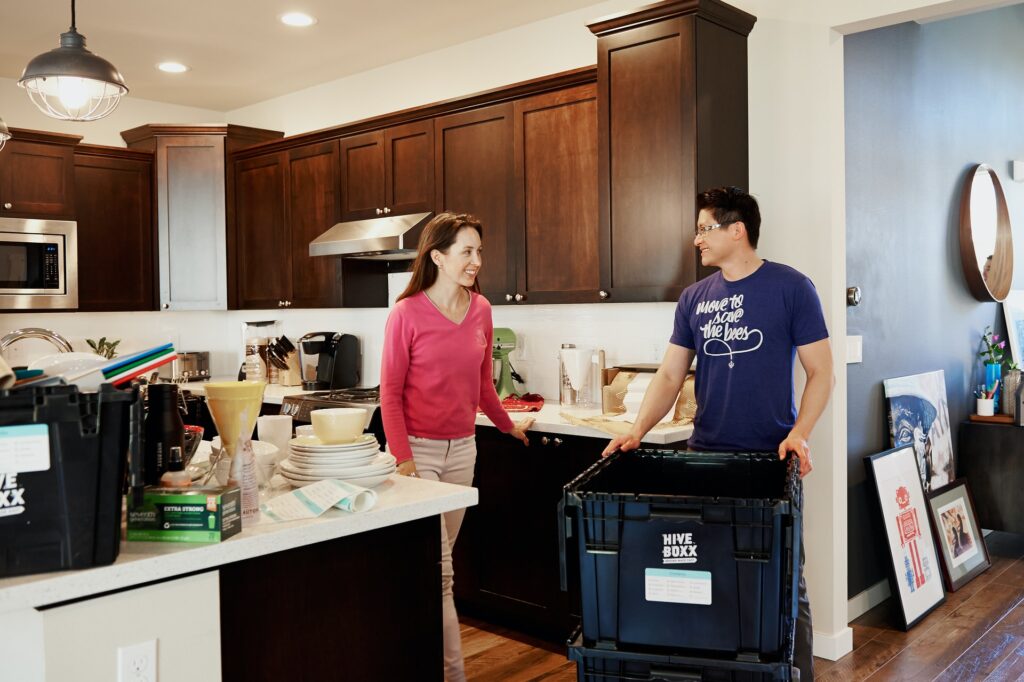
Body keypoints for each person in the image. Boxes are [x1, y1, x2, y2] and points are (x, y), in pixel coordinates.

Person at [602, 187, 834, 680]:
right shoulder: (693, 298)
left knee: (785, 582)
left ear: (737, 230)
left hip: (770, 461)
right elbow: (669, 376)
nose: (696, 240)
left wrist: (800, 434)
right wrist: (636, 431)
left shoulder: (792, 288)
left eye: (705, 228)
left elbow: (821, 373)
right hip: (705, 457)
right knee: (711, 576)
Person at [381, 211, 534, 682]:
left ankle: (416, 658)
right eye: (467, 251)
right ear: (438, 256)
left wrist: (508, 425)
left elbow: (484, 386)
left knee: (434, 569)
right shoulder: (406, 314)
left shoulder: (482, 309)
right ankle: (453, 673)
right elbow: (389, 393)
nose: (476, 260)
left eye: (479, 251)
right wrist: (404, 460)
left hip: (463, 450)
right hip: (419, 454)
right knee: (442, 570)